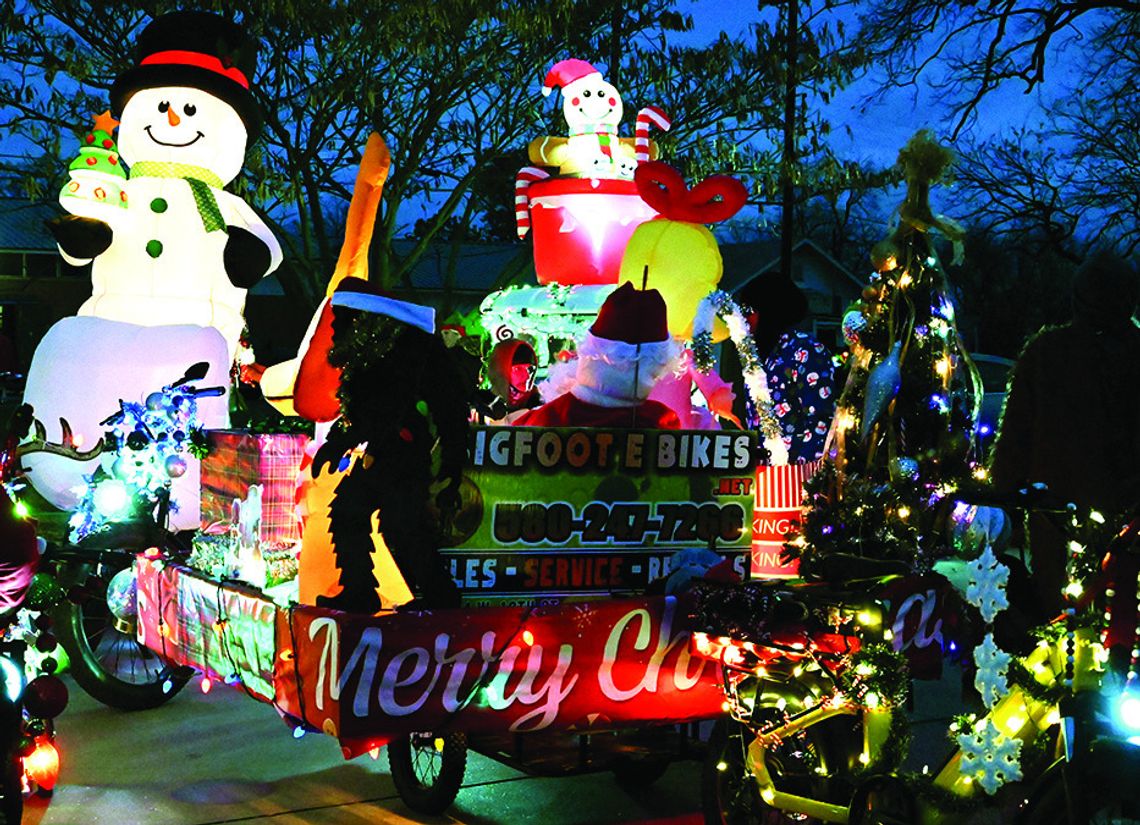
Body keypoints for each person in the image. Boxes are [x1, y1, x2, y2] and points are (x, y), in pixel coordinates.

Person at [989, 251, 1140, 622]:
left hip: (1055, 513)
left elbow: (1013, 444)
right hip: (1127, 514)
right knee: (1123, 617)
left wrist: (1005, 503)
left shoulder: (1045, 353)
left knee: (1058, 621)